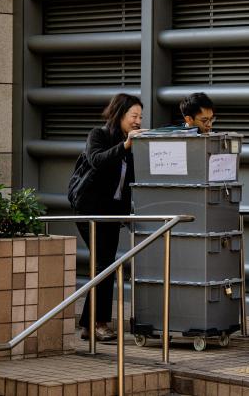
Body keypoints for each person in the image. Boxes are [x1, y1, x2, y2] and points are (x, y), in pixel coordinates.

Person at [74, 93, 147, 341]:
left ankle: (89, 324)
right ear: (120, 115)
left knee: (105, 265)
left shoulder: (134, 144)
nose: (138, 121)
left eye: (140, 116)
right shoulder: (99, 135)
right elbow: (97, 161)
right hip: (90, 209)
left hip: (113, 213)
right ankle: (99, 323)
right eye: (133, 116)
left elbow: (127, 184)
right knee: (104, 264)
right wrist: (125, 145)